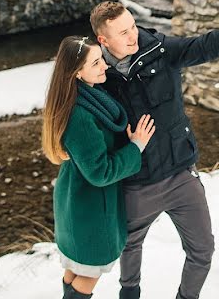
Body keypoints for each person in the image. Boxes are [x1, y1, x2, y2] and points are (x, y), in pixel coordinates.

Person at [90, 2, 219, 299]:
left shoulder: (160, 51)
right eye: (123, 32)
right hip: (137, 183)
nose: (133, 36)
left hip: (181, 176)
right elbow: (75, 115)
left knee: (202, 251)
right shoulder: (95, 75)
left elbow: (208, 44)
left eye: (133, 27)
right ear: (103, 40)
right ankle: (130, 294)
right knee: (129, 246)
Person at [42, 35, 157, 299]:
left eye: (101, 58)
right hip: (90, 208)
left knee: (75, 267)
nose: (105, 65)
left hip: (76, 198)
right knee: (88, 272)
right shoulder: (79, 115)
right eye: (96, 63)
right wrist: (135, 146)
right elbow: (100, 172)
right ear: (77, 73)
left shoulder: (87, 95)